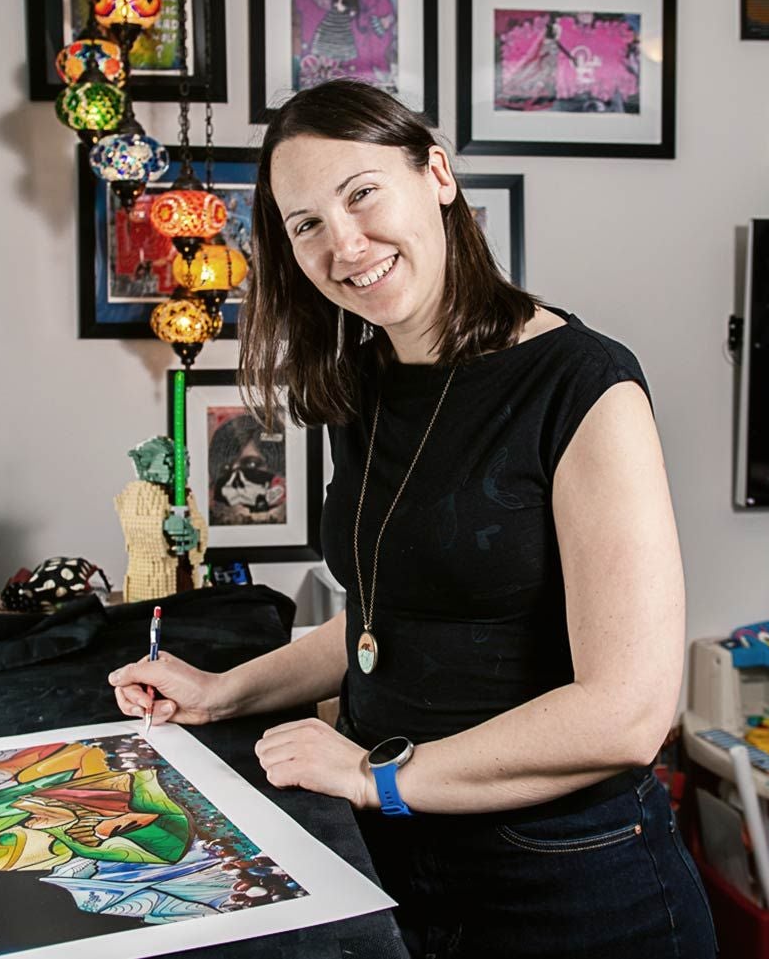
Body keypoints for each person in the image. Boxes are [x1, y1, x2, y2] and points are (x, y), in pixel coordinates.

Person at [108, 79, 714, 958]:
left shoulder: (584, 384)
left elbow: (628, 711)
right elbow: (384, 617)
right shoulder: (368, 381)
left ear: (436, 173)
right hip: (402, 860)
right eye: (305, 223)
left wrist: (370, 774)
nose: (343, 243)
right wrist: (221, 689)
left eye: (361, 193)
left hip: (572, 884)